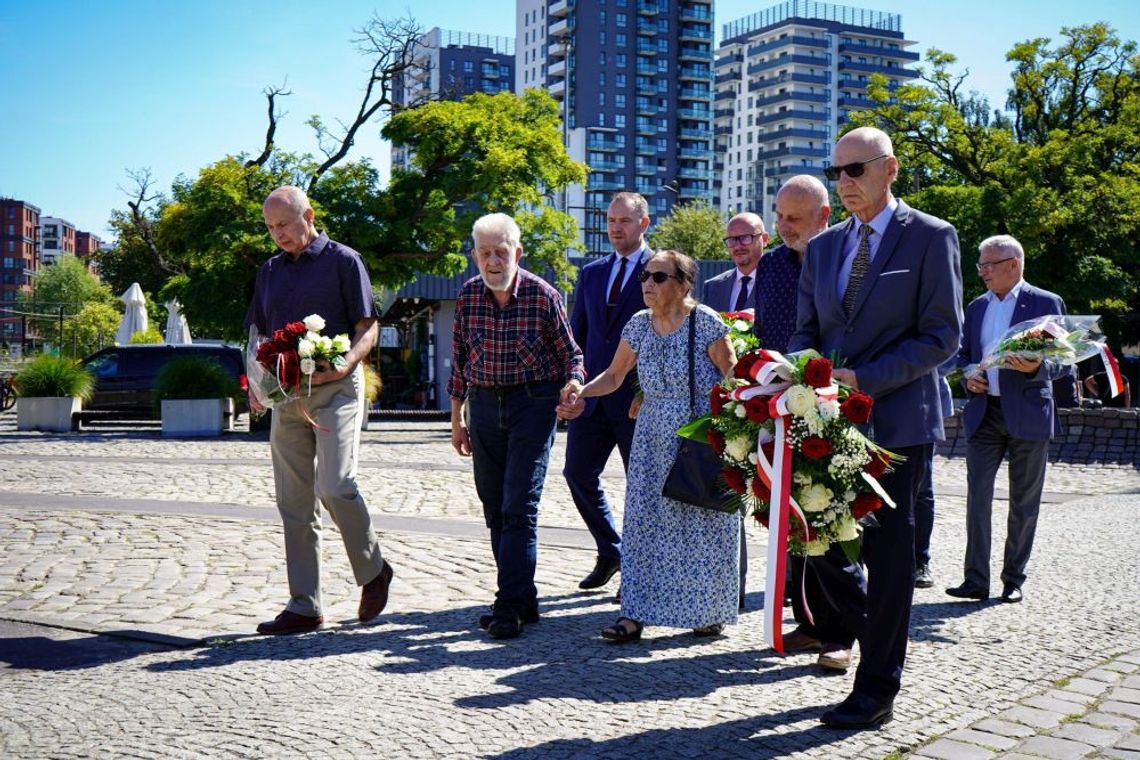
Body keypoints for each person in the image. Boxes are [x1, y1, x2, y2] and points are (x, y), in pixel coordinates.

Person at [789, 127, 963, 728]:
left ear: (889, 169)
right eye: (837, 172)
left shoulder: (932, 237)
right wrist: (803, 375)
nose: (844, 183)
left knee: (889, 555)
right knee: (813, 542)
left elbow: (943, 337)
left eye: (855, 170)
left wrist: (864, 380)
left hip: (897, 422)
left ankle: (876, 689)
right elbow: (806, 329)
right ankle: (880, 635)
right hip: (827, 422)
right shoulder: (825, 247)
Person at [559, 250, 739, 642]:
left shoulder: (705, 323)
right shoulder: (639, 324)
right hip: (650, 438)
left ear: (684, 284)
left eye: (659, 277)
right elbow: (614, 375)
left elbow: (735, 378)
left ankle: (706, 610)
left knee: (701, 523)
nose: (647, 283)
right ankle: (634, 614)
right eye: (646, 275)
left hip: (696, 437)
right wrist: (581, 395)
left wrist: (727, 427)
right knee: (644, 525)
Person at [245, 185, 393, 636]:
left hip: (336, 390)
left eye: (284, 225)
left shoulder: (344, 261)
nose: (277, 235)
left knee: (335, 484)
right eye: (270, 228)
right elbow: (256, 333)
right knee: (293, 500)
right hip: (284, 393)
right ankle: (304, 604)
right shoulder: (268, 271)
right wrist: (252, 384)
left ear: (307, 216)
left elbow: (369, 326)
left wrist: (348, 362)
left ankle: (374, 571)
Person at [449, 213, 584, 640]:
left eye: (501, 252)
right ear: (474, 256)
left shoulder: (544, 295)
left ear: (517, 252)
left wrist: (575, 384)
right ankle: (523, 596)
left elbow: (572, 355)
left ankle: (507, 606)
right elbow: (460, 363)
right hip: (484, 407)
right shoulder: (469, 297)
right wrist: (457, 420)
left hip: (533, 404)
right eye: (485, 252)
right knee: (493, 507)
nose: (493, 260)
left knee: (518, 507)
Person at [761, 175, 867, 672]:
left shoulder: (844, 256)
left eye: (795, 218)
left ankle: (843, 632)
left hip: (840, 403)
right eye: (779, 216)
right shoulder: (772, 266)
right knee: (796, 522)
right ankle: (811, 621)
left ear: (825, 217)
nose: (783, 227)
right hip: (784, 406)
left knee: (834, 520)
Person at [947, 235, 1071, 606]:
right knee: (977, 498)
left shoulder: (1046, 303)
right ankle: (975, 580)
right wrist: (968, 376)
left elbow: (1065, 362)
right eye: (980, 265)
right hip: (985, 413)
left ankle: (1013, 578)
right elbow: (964, 356)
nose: (982, 271)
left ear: (1013, 264)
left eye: (989, 264)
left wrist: (1038, 366)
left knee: (1024, 501)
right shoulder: (977, 307)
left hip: (1029, 414)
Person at [562, 193, 651, 591]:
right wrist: (574, 382)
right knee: (577, 473)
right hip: (594, 396)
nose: (616, 228)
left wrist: (649, 389)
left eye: (625, 221)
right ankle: (611, 550)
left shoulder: (661, 270)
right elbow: (577, 336)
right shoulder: (592, 273)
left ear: (644, 224)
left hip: (638, 401)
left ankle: (639, 571)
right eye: (612, 221)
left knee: (642, 489)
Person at [702, 212, 768, 611]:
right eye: (732, 240)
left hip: (773, 397)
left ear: (764, 238)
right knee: (728, 495)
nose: (739, 246)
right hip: (728, 405)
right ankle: (732, 586)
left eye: (746, 238)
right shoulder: (713, 288)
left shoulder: (782, 280)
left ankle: (791, 583)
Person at [914, 362, 954, 589]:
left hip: (924, 403)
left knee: (922, 487)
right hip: (872, 396)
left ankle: (920, 561)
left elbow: (949, 355)